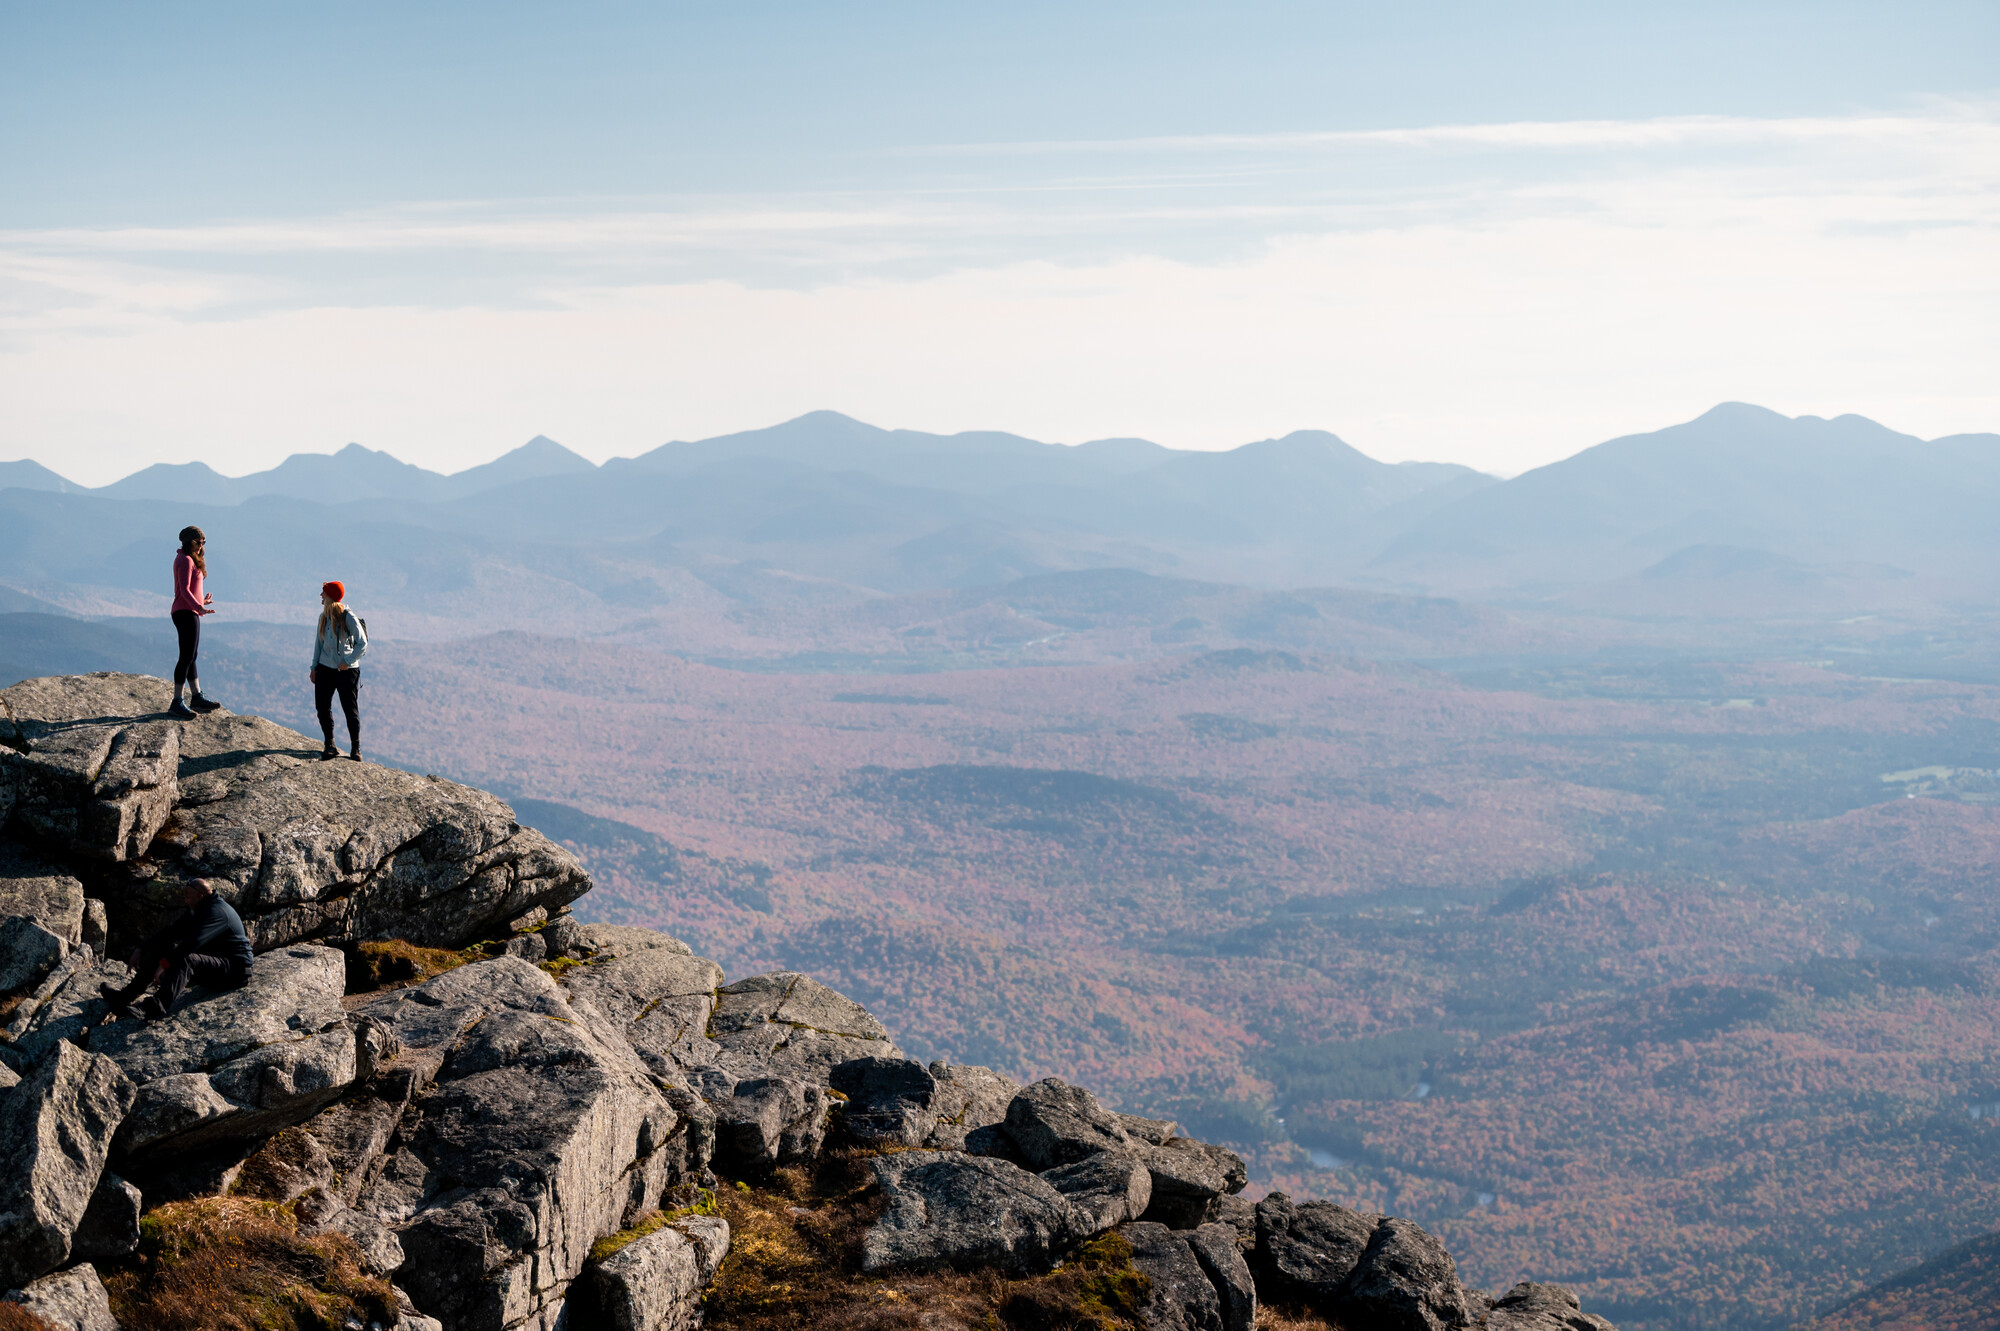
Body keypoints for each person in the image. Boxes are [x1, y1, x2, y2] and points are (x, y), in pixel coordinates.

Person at [99, 878, 254, 1021]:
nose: (186, 901)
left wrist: (165, 964)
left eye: (188, 897)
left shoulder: (217, 913)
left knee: (187, 959)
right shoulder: (199, 908)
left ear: (200, 896)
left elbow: (192, 943)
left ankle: (153, 1008)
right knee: (165, 948)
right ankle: (123, 997)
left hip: (236, 971)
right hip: (217, 965)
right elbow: (172, 931)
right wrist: (141, 947)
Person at [310, 579, 368, 761]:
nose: (321, 596)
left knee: (350, 709)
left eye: (324, 593)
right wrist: (314, 667)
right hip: (325, 668)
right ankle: (330, 744)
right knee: (322, 706)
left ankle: (356, 749)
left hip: (346, 671)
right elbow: (318, 644)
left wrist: (348, 661)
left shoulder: (348, 617)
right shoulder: (323, 617)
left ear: (331, 597)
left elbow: (362, 643)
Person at [168, 525, 220, 719]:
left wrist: (201, 602)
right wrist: (198, 607)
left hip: (189, 610)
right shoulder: (184, 560)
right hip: (185, 612)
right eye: (199, 542)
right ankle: (177, 702)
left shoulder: (188, 559)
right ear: (190, 542)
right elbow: (183, 590)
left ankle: (196, 696)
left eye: (203, 542)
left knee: (192, 655)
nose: (202, 545)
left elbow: (189, 591)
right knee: (186, 656)